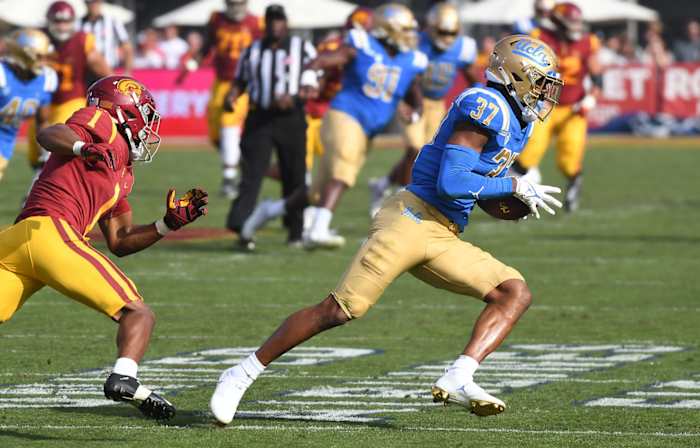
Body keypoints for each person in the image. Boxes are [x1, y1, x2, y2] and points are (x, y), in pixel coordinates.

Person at [209, 34, 564, 425]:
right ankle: (241, 373)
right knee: (339, 310)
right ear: (514, 74)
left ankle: (460, 376)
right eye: (541, 81)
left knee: (513, 292)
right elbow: (451, 182)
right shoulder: (486, 106)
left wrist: (510, 201)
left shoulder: (517, 122)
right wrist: (513, 184)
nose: (547, 92)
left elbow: (475, 191)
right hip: (410, 219)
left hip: (445, 231)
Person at [1, 75, 208, 420]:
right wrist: (83, 147)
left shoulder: (123, 172)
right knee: (138, 313)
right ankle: (125, 378)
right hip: (53, 233)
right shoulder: (100, 121)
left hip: (20, 242)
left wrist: (166, 224)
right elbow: (47, 134)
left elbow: (120, 240)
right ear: (125, 110)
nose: (148, 127)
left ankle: (133, 386)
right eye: (145, 115)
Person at [302, 4, 427, 249]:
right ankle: (317, 230)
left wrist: (415, 113)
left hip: (368, 131)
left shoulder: (411, 60)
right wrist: (310, 72)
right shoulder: (362, 45)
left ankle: (270, 210)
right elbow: (326, 59)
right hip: (344, 115)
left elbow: (416, 98)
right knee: (344, 171)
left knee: (320, 187)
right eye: (405, 29)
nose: (411, 35)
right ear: (387, 29)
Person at [369, 2, 479, 217]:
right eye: (442, 31)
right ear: (430, 27)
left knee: (425, 154)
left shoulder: (463, 47)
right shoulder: (416, 43)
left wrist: (478, 97)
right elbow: (401, 73)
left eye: (451, 32)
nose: (446, 36)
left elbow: (471, 75)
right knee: (414, 148)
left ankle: (383, 184)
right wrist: (400, 101)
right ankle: (405, 197)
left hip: (437, 105)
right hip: (412, 101)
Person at [224, 4, 317, 249]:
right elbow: (240, 80)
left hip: (291, 119)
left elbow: (313, 81)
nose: (276, 25)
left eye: (279, 20)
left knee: (294, 174)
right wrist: (232, 95)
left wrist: (295, 97)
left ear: (286, 24)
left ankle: (295, 231)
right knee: (252, 172)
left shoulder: (302, 49)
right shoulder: (252, 51)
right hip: (260, 118)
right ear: (266, 23)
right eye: (271, 20)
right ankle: (241, 226)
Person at [511, 2, 601, 212]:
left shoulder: (588, 42)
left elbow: (598, 78)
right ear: (558, 22)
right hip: (545, 105)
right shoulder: (540, 37)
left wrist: (591, 99)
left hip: (574, 108)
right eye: (571, 22)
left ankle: (574, 183)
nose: (576, 27)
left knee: (569, 158)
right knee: (529, 152)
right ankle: (510, 195)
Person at [181, 0, 261, 199]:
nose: (235, 7)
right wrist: (195, 61)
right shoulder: (217, 19)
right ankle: (241, 163)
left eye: (238, 3)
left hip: (242, 83)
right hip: (220, 82)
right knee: (216, 134)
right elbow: (208, 45)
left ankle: (229, 180)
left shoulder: (256, 23)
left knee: (229, 124)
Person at [27, 0, 110, 177]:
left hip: (70, 100)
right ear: (49, 21)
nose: (62, 26)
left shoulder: (82, 40)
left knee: (53, 145)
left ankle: (36, 192)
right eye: (58, 21)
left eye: (66, 21)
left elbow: (103, 71)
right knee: (34, 154)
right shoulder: (39, 39)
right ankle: (39, 183)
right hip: (43, 102)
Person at [0, 29, 56, 183]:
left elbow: (42, 121)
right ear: (23, 54)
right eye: (40, 56)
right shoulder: (2, 75)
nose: (44, 61)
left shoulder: (47, 80)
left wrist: (47, 151)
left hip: (4, 142)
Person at [81, 0, 134, 74]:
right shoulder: (79, 23)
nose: (93, 5)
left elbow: (127, 47)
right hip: (86, 72)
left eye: (96, 2)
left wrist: (128, 72)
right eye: (90, 2)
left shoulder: (112, 21)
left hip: (110, 70)